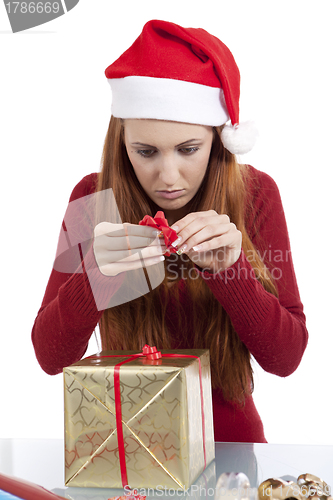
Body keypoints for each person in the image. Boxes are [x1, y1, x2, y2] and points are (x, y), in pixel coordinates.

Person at [32, 19, 308, 443]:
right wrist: (95, 278)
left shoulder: (257, 194)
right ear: (121, 143)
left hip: (229, 448)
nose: (168, 176)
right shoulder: (92, 196)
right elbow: (50, 357)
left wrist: (230, 271)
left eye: (188, 149)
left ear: (218, 140)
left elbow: (286, 359)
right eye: (145, 152)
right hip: (122, 449)